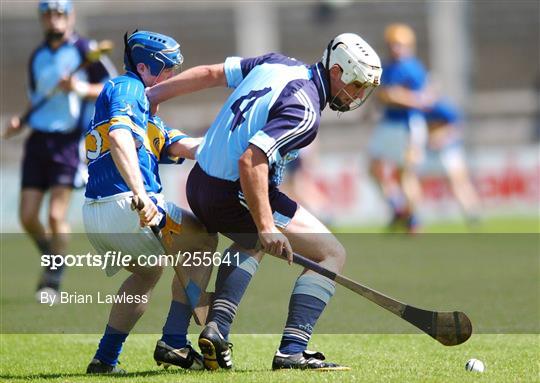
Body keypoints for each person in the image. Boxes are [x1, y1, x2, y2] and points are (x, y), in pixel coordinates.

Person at [147, 32, 382, 370]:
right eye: (358, 84)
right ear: (337, 72)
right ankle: (290, 350)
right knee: (329, 253)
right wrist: (267, 226)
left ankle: (176, 340)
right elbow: (251, 160)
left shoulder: (277, 62)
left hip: (199, 181)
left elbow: (212, 74)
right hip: (232, 189)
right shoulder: (305, 110)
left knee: (234, 240)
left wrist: (154, 94)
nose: (359, 94)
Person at [83, 30, 216, 374]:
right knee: (203, 239)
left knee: (147, 272)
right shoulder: (128, 88)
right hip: (126, 204)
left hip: (98, 215)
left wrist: (241, 141)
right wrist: (141, 194)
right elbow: (118, 136)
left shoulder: (150, 119)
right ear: (144, 68)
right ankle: (174, 340)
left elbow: (193, 147)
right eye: (167, 69)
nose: (172, 78)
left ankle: (105, 359)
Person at [2, 0, 115, 299]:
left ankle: (52, 278)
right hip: (38, 140)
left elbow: (111, 87)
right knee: (27, 217)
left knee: (55, 215)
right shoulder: (37, 56)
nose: (54, 19)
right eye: (48, 14)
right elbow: (39, 98)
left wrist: (78, 88)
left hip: (68, 141)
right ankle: (54, 255)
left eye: (60, 13)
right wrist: (21, 121)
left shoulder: (84, 50)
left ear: (70, 16)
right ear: (42, 19)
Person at [368, 23, 433, 233]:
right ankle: (397, 207)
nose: (395, 48)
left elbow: (424, 100)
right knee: (372, 167)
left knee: (405, 174)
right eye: (392, 44)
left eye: (399, 44)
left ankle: (413, 219)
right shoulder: (387, 66)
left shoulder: (412, 68)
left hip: (407, 125)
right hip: (388, 123)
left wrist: (396, 96)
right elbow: (382, 94)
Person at [421, 100, 482, 224]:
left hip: (449, 151)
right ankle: (412, 215)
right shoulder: (419, 110)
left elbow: (457, 127)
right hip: (431, 153)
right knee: (417, 181)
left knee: (459, 183)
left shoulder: (442, 108)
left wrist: (441, 137)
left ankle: (472, 212)